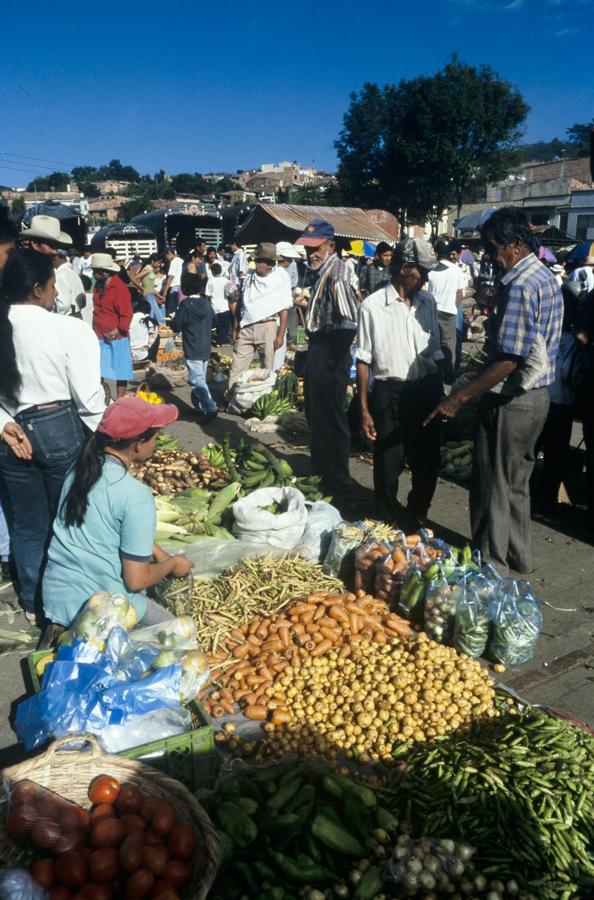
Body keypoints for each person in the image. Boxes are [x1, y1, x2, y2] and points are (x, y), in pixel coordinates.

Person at [426, 207, 563, 574]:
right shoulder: (544, 275)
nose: (488, 255)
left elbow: (510, 360)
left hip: (512, 400)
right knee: (516, 484)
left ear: (515, 245)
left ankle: (490, 567)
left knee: (491, 485)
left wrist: (459, 396)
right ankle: (520, 557)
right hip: (537, 400)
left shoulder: (520, 284)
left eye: (492, 247)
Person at [0, 249, 104, 621]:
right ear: (37, 288)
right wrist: (99, 437)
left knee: (27, 524)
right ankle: (70, 601)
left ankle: (33, 602)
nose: (54, 293)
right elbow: (88, 395)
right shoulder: (65, 327)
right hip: (58, 422)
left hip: (10, 431)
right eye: (52, 285)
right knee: (70, 517)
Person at [42, 398, 194, 631]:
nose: (157, 442)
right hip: (100, 608)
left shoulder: (79, 469)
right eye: (155, 437)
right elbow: (137, 580)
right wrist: (173, 564)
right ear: (138, 444)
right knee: (180, 633)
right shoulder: (135, 495)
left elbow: (108, 526)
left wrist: (157, 552)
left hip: (57, 596)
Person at [357, 238, 443, 526]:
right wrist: (365, 409)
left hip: (425, 389)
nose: (427, 279)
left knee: (427, 460)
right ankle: (387, 517)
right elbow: (364, 360)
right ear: (405, 267)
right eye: (423, 272)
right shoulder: (372, 306)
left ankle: (417, 512)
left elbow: (436, 349)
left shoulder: (427, 302)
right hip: (390, 392)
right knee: (388, 462)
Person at [296, 220, 360, 505]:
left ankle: (339, 480)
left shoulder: (339, 272)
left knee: (331, 416)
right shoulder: (320, 272)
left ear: (331, 246)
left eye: (316, 248)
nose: (311, 253)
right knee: (316, 412)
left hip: (333, 347)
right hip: (320, 346)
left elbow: (348, 322)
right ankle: (321, 469)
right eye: (308, 248)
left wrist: (332, 361)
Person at [227, 242, 291, 391]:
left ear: (270, 264)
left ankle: (262, 396)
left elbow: (284, 309)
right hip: (246, 327)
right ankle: (230, 396)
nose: (258, 264)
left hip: (267, 327)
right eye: (257, 261)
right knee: (237, 365)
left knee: (266, 367)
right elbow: (241, 302)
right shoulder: (249, 278)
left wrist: (280, 334)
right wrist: (236, 326)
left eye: (262, 261)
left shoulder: (279, 280)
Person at [171, 272, 218, 421]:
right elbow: (215, 322)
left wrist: (174, 321)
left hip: (192, 346)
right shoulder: (206, 302)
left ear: (184, 289)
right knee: (200, 377)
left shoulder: (185, 305)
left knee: (196, 380)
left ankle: (210, 407)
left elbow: (176, 325)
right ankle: (199, 407)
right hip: (205, 346)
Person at [91, 253, 134, 399]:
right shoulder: (98, 286)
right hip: (99, 335)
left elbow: (126, 315)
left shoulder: (120, 288)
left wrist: (115, 332)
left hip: (116, 337)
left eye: (94, 272)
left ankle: (120, 400)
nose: (92, 274)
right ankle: (100, 397)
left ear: (103, 272)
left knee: (120, 370)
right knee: (98, 370)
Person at [427, 238, 466, 384]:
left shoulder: (431, 271)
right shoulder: (457, 270)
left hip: (432, 311)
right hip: (449, 313)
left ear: (436, 253)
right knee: (448, 345)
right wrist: (454, 307)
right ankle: (449, 376)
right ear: (450, 253)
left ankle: (434, 373)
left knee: (432, 343)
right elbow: (459, 294)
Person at [53, 247, 86, 317]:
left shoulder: (60, 275)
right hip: (77, 314)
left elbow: (63, 305)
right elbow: (83, 300)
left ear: (56, 257)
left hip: (67, 317)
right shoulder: (72, 273)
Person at [206, 262, 232, 345]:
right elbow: (230, 292)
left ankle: (220, 339)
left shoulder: (210, 281)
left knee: (217, 325)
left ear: (213, 272)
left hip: (214, 306)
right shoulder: (225, 280)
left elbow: (208, 294)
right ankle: (221, 340)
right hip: (224, 305)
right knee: (225, 325)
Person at [129, 297, 160, 363]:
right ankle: (152, 360)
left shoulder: (129, 319)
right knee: (157, 336)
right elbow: (152, 340)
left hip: (129, 354)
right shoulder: (150, 322)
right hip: (143, 355)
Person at [138, 254, 166, 324]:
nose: (159, 265)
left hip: (151, 295)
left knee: (157, 317)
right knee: (153, 317)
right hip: (148, 295)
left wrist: (159, 296)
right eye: (158, 262)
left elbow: (151, 287)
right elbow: (135, 278)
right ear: (152, 261)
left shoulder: (150, 269)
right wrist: (142, 289)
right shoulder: (148, 269)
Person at [162, 246, 183, 316]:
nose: (166, 258)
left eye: (166, 256)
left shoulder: (173, 262)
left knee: (171, 310)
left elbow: (171, 277)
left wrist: (165, 291)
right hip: (181, 288)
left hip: (174, 288)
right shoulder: (181, 260)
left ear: (169, 253)